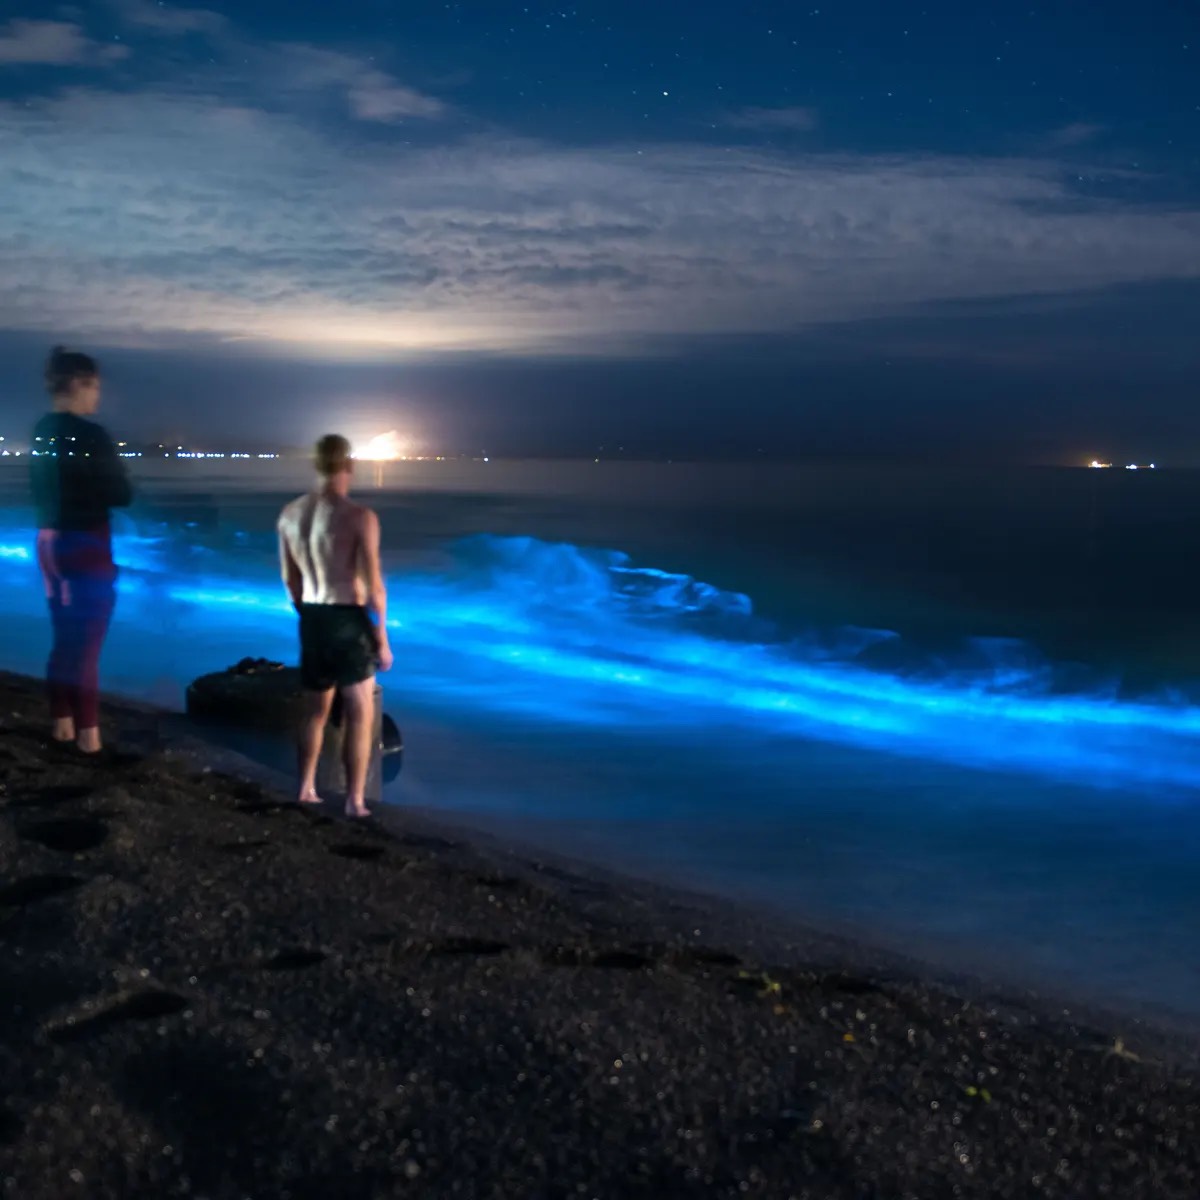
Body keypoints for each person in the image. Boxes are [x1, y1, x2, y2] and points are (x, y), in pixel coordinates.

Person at [277, 434, 393, 818]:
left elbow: (289, 580)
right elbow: (375, 586)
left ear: (317, 464)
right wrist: (382, 637)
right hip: (346, 619)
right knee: (360, 711)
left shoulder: (290, 515)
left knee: (315, 710)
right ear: (350, 466)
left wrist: (308, 616)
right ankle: (355, 801)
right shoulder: (361, 517)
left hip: (311, 617)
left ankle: (306, 787)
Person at [29, 345, 133, 754]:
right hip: (86, 543)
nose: (98, 397)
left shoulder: (41, 430)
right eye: (95, 387)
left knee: (63, 636)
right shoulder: (93, 436)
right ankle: (89, 736)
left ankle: (62, 723)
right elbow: (120, 493)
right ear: (78, 385)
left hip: (48, 544)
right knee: (88, 641)